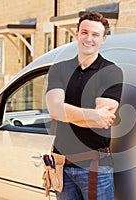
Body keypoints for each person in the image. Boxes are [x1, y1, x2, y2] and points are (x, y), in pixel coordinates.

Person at [46, 11, 123, 200]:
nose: (89, 38)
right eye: (85, 32)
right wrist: (91, 115)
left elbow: (100, 122)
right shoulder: (59, 69)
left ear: (103, 39)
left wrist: (66, 111)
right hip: (61, 166)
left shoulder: (111, 72)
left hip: (96, 167)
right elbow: (54, 110)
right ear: (77, 34)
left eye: (95, 34)